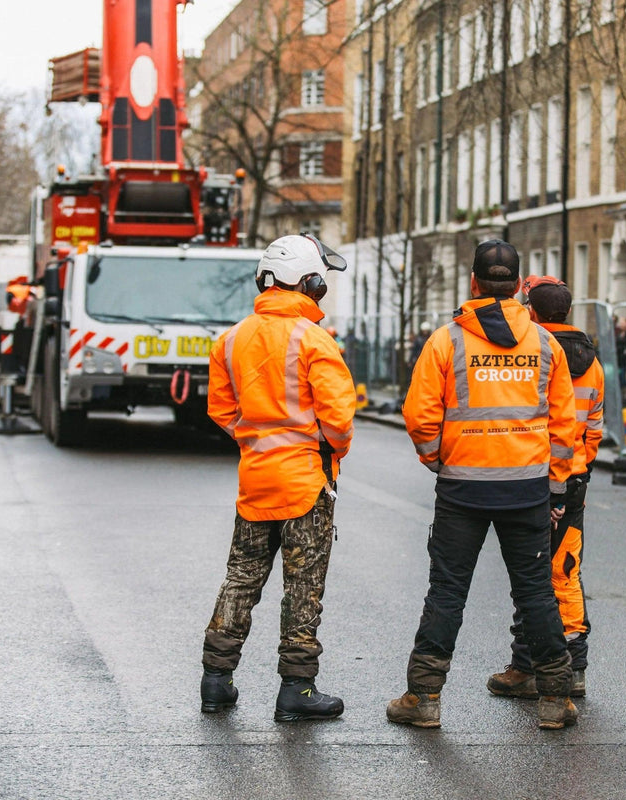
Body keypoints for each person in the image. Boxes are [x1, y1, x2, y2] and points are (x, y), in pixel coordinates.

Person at [386, 239, 579, 730]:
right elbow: (565, 424)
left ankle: (424, 697)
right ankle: (555, 699)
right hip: (527, 489)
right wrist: (556, 486)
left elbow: (419, 415)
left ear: (473, 282)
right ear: (518, 287)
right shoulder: (545, 344)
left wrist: (438, 459)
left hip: (463, 489)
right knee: (535, 592)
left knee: (447, 592)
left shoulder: (446, 341)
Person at [200, 233, 356, 722]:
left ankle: (216, 681)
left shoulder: (231, 339)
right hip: (306, 484)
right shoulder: (314, 339)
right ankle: (297, 689)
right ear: (310, 284)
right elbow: (339, 420)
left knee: (241, 579)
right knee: (303, 587)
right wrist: (328, 449)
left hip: (255, 480)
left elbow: (221, 409)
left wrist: (255, 439)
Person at [487, 275, 604, 701]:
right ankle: (574, 667)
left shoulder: (534, 351)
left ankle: (525, 666)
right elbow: (594, 426)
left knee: (530, 574)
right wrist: (579, 467)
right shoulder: (593, 363)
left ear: (532, 312)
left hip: (536, 475)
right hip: (574, 479)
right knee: (565, 570)